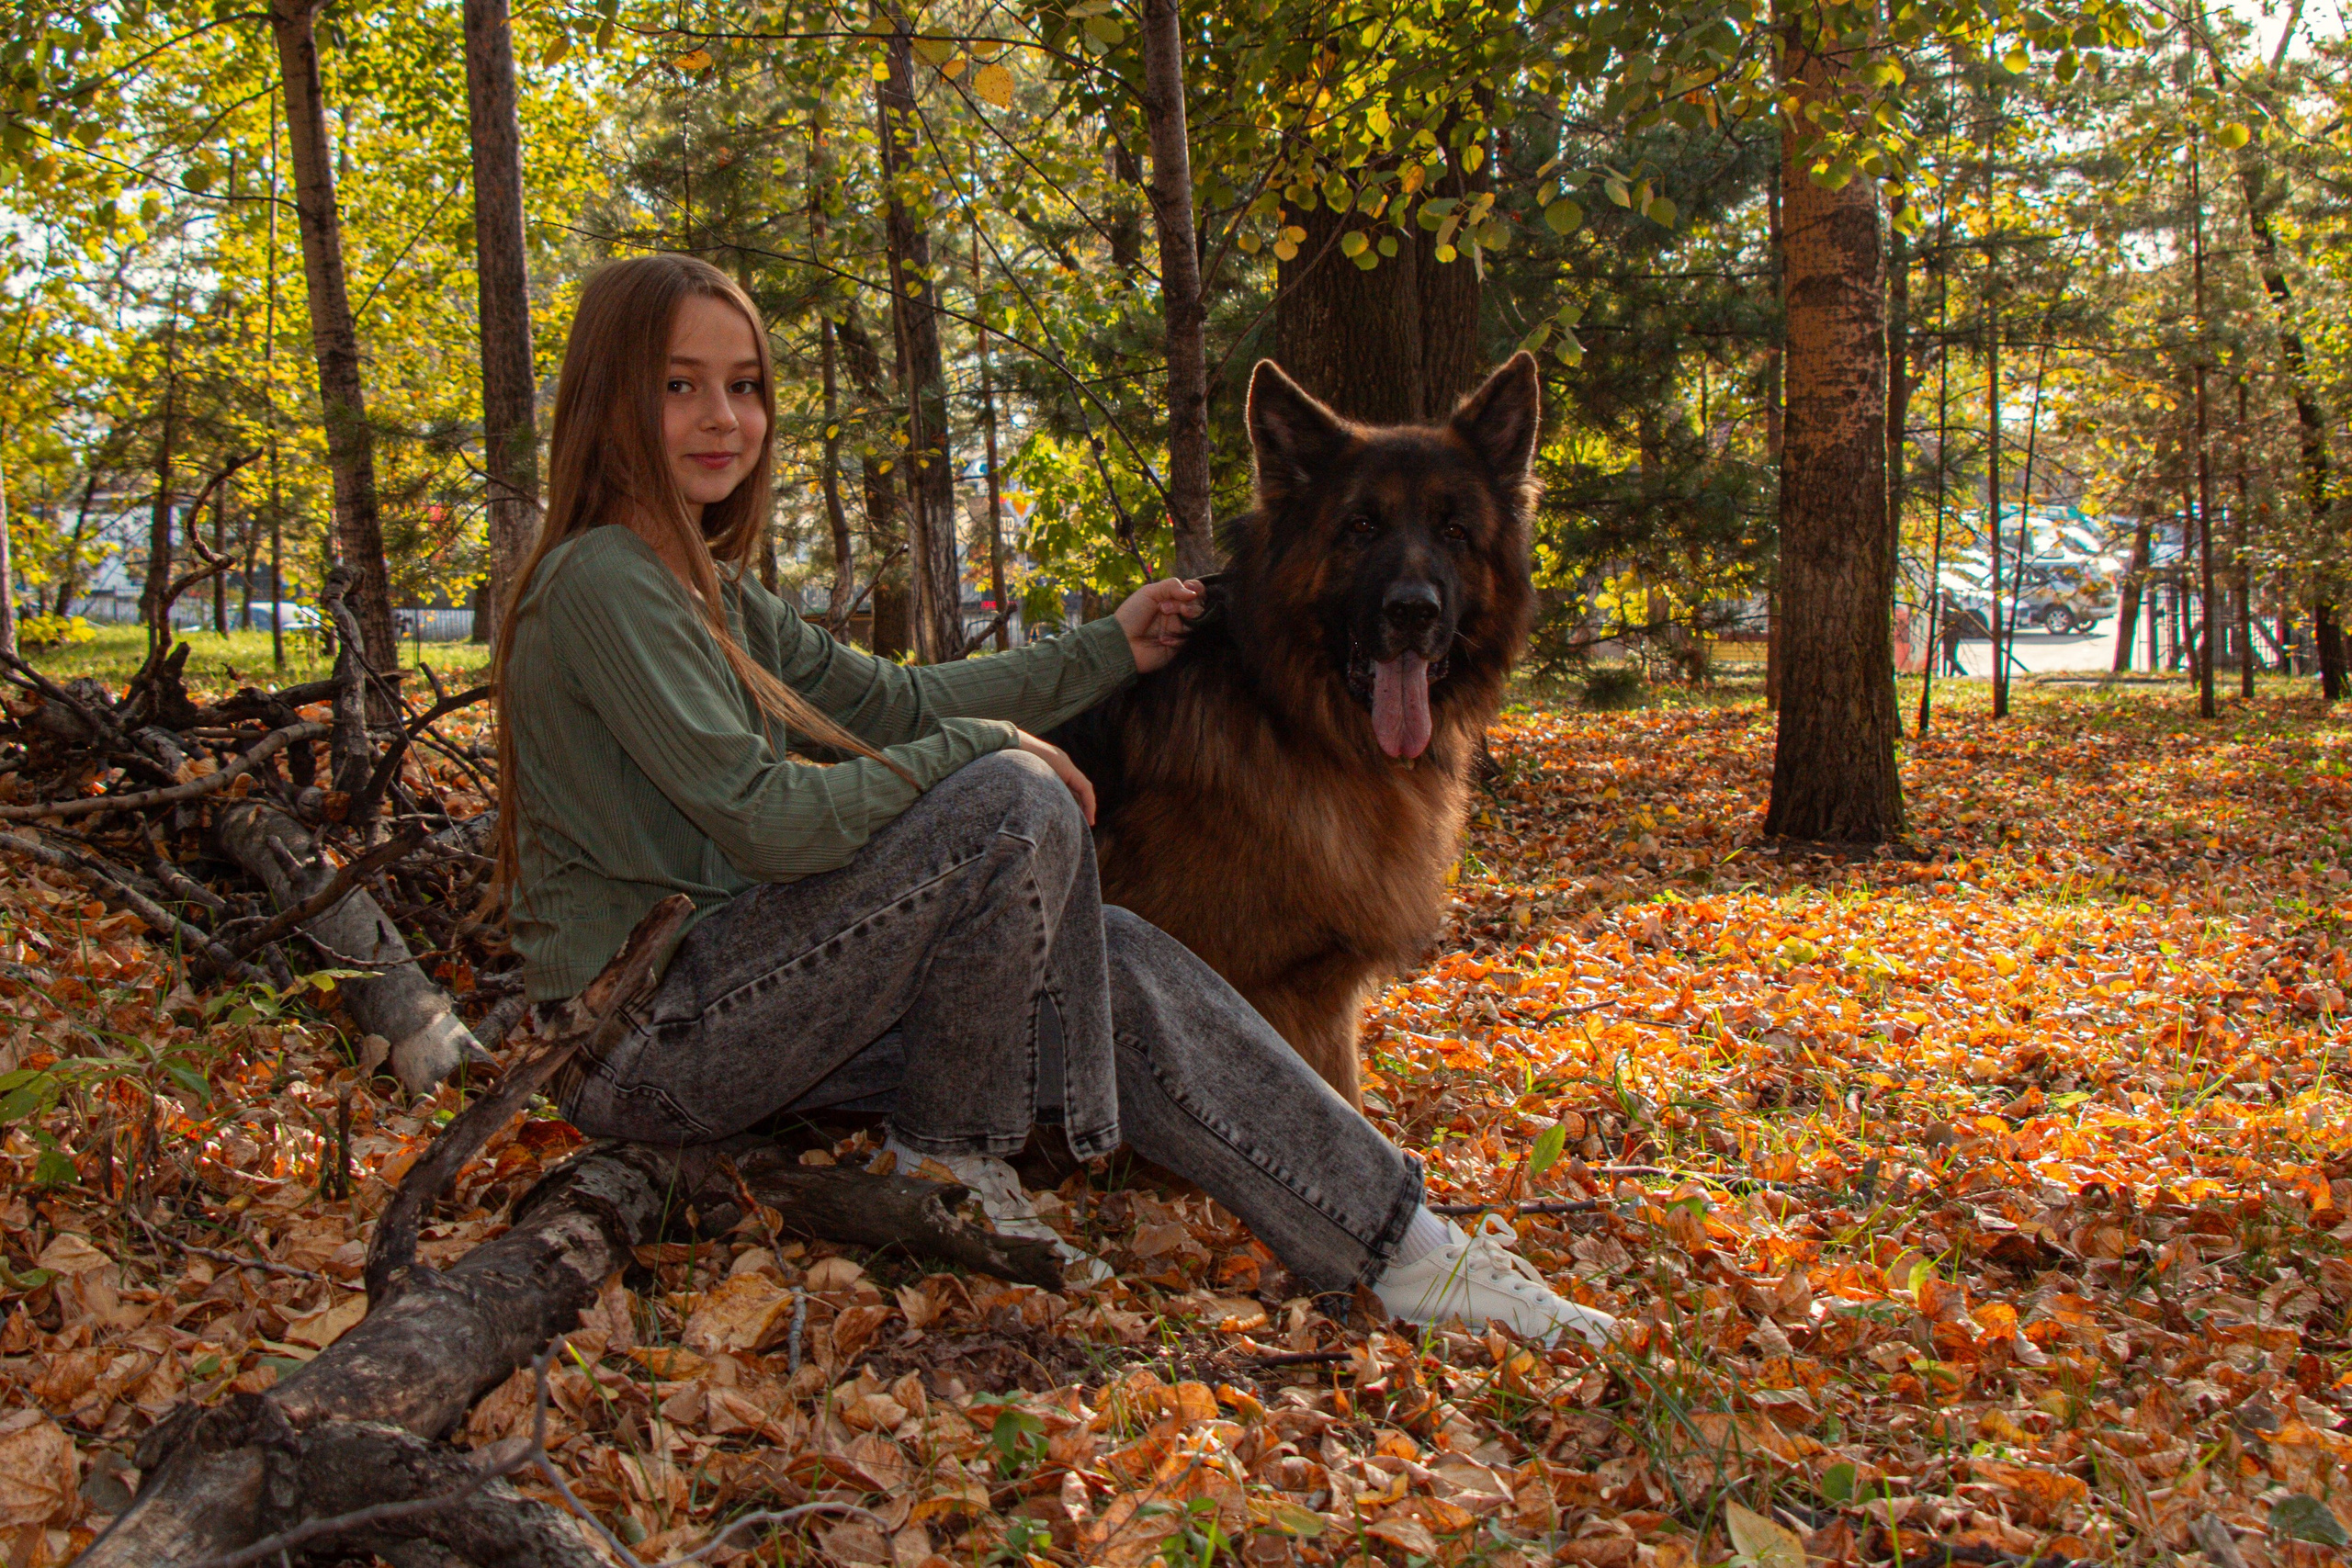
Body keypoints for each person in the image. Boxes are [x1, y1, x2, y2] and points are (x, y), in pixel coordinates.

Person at [492, 254, 1614, 1349]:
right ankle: (953, 1151)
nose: (723, 417)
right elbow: (762, 817)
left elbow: (891, 701)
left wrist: (1107, 649)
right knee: (1009, 796)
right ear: (608, 398)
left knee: (1109, 960)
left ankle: (1407, 1250)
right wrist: (991, 751)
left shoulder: (709, 588)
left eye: (744, 386)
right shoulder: (602, 579)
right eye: (678, 385)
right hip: (646, 1040)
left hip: (748, 1002)